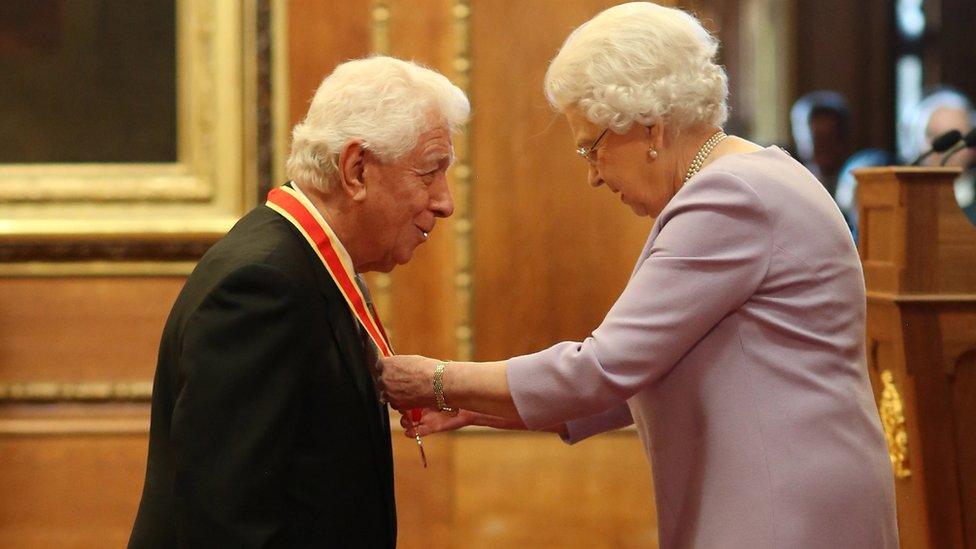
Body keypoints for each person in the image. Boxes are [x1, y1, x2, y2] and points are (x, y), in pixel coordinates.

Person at [377, 3, 898, 548]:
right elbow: (643, 374)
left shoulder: (729, 197)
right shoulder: (749, 180)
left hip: (781, 510)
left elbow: (602, 367)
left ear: (650, 126)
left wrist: (435, 379)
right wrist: (474, 405)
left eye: (592, 148)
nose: (594, 176)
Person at [128, 56, 469, 548]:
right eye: (430, 173)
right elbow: (226, 522)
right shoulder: (263, 284)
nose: (445, 201)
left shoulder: (305, 263)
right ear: (356, 170)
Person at [900, 87, 976, 224]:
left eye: (952, 139)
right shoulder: (901, 198)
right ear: (915, 142)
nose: (945, 149)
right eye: (933, 135)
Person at [790, 90, 853, 197]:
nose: (822, 147)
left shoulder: (852, 187)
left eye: (829, 138)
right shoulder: (788, 185)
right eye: (815, 139)